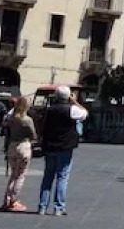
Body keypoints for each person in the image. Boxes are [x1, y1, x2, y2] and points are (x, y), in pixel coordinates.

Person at [36, 85, 89, 215]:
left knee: (47, 177)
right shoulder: (72, 109)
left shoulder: (49, 109)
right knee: (62, 177)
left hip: (49, 146)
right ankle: (58, 207)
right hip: (65, 146)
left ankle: (42, 206)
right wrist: (74, 101)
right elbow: (85, 113)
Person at [1, 95, 37, 211]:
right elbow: (33, 135)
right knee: (21, 175)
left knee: (13, 174)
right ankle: (14, 200)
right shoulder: (27, 120)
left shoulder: (11, 118)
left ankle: (6, 200)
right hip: (23, 146)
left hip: (12, 146)